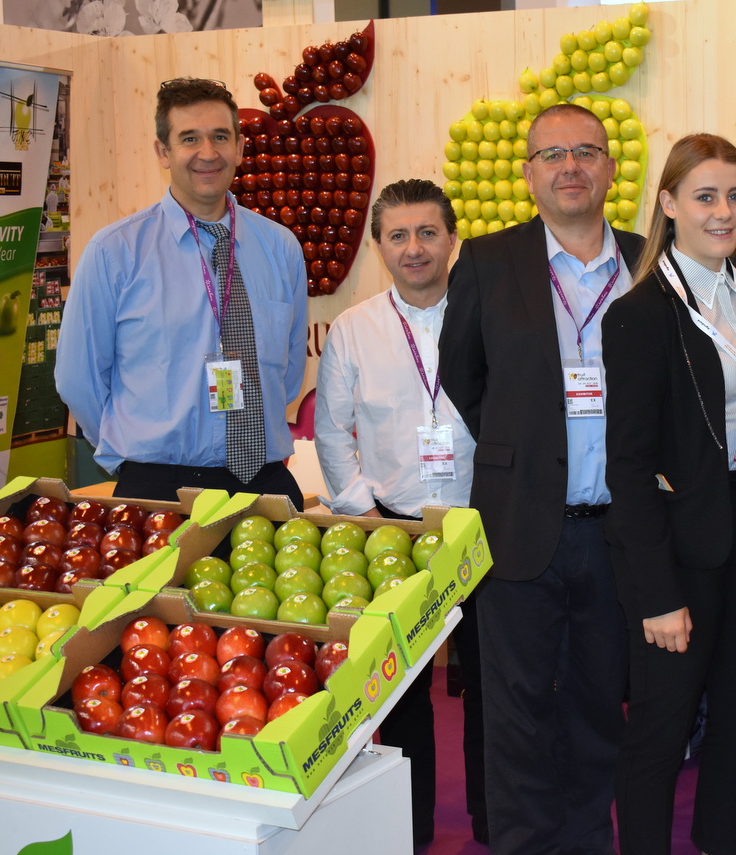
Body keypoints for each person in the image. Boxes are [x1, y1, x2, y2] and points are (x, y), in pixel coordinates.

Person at [439, 102, 642, 855]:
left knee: (598, 707)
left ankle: (589, 841)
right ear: (528, 174)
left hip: (619, 531)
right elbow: (463, 374)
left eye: (585, 151)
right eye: (551, 155)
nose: (570, 167)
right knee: (515, 712)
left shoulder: (649, 261)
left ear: (611, 168)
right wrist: (521, 442)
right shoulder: (488, 261)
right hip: (518, 522)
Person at [602, 133, 736, 855]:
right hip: (679, 545)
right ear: (669, 204)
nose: (724, 212)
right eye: (706, 197)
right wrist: (655, 593)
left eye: (735, 196)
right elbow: (628, 466)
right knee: (662, 727)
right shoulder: (640, 314)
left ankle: (720, 842)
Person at [312, 178, 485, 846]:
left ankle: (494, 817)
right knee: (402, 693)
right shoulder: (354, 328)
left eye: (428, 233)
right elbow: (333, 430)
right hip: (393, 530)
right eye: (398, 236)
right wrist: (367, 513)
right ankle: (410, 828)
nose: (414, 248)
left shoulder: (486, 313)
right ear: (379, 246)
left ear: (452, 239)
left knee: (493, 685)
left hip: (482, 526)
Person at [56, 78, 307, 509]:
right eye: (189, 138)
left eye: (220, 137)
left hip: (263, 482)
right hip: (159, 489)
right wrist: (136, 449)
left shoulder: (280, 247)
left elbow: (288, 375)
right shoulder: (115, 252)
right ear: (163, 152)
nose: (208, 153)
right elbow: (78, 380)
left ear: (240, 148)